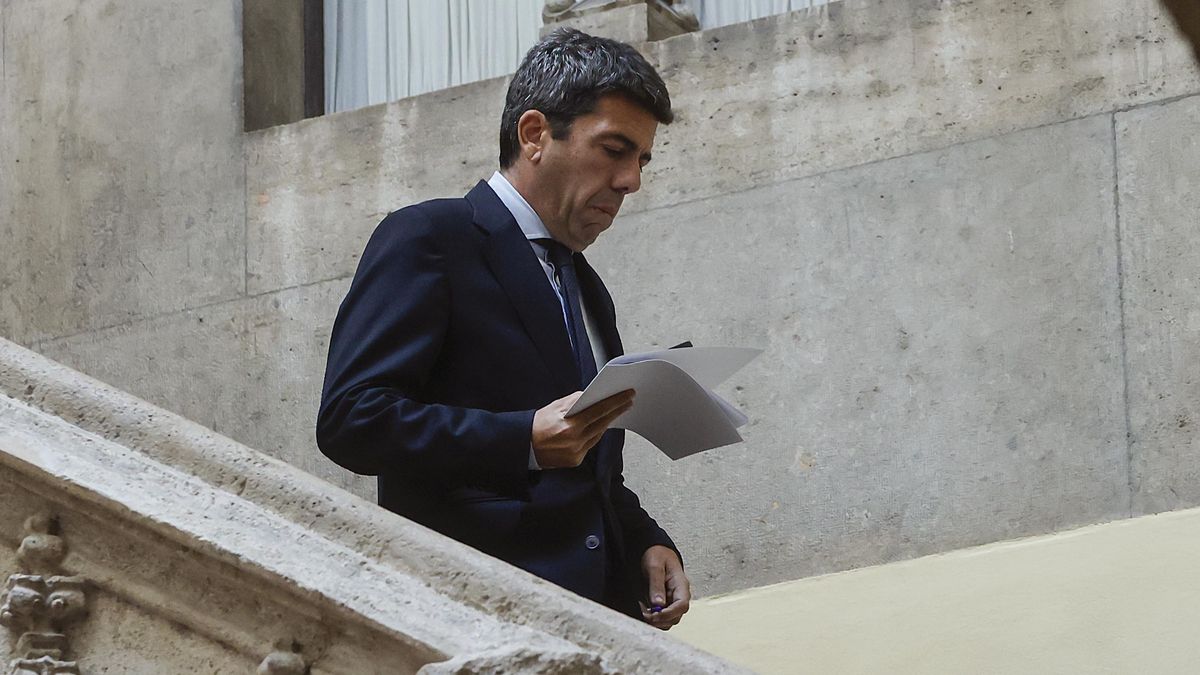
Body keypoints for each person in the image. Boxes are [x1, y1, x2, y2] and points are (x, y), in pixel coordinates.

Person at [316, 28, 690, 629]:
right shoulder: (433, 236)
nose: (631, 182)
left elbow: (584, 461)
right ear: (535, 134)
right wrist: (520, 440)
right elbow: (351, 420)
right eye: (614, 149)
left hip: (595, 626)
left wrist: (645, 540)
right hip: (475, 617)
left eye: (641, 159)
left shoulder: (585, 283)